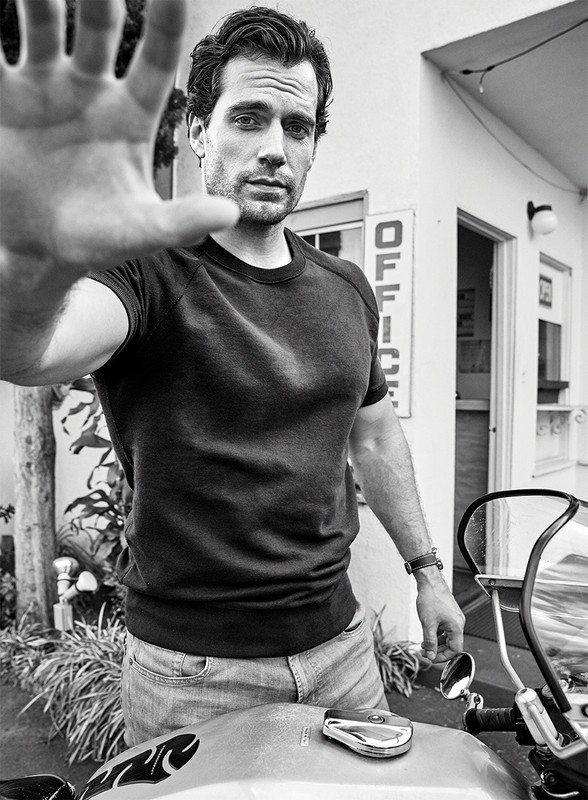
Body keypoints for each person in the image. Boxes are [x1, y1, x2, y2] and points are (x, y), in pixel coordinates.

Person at [0, 0, 465, 746]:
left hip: (345, 654)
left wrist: (427, 571)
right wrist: (30, 248)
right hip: (193, 677)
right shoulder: (147, 271)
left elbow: (375, 438)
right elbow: (32, 352)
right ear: (198, 131)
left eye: (297, 127)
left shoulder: (347, 289)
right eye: (248, 118)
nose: (275, 148)